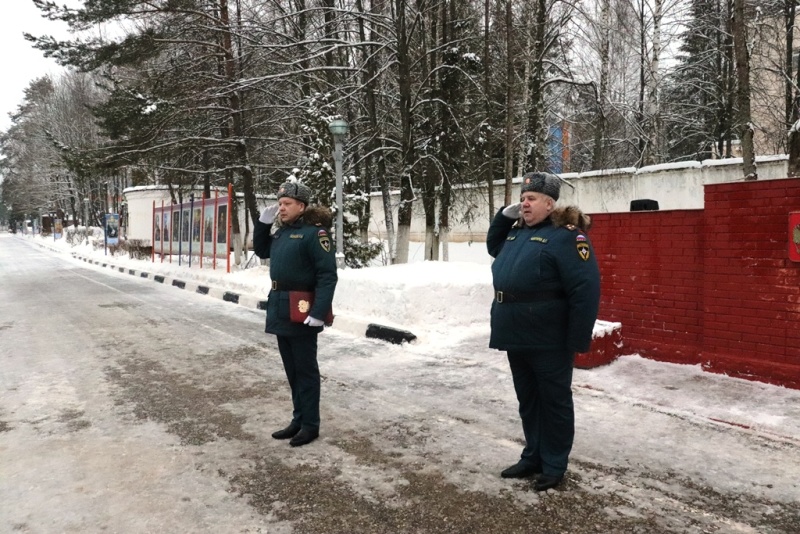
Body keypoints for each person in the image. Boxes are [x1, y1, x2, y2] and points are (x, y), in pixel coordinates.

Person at [487, 171, 600, 491]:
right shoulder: (516, 234)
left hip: (549, 336)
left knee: (554, 401)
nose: (524, 204)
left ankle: (554, 463)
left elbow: (586, 289)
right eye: (522, 199)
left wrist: (577, 338)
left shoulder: (567, 237)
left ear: (550, 204)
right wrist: (504, 215)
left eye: (531, 198)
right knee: (529, 400)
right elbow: (493, 245)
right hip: (515, 332)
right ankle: (533, 455)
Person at [253, 180, 338, 447]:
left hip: (302, 309)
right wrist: (263, 225)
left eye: (287, 204)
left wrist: (318, 311)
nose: (282, 208)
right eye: (279, 204)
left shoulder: (315, 234)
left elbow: (327, 276)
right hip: (280, 306)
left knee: (306, 370)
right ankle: (298, 419)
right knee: (292, 370)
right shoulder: (281, 233)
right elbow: (262, 250)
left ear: (301, 206)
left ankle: (311, 425)